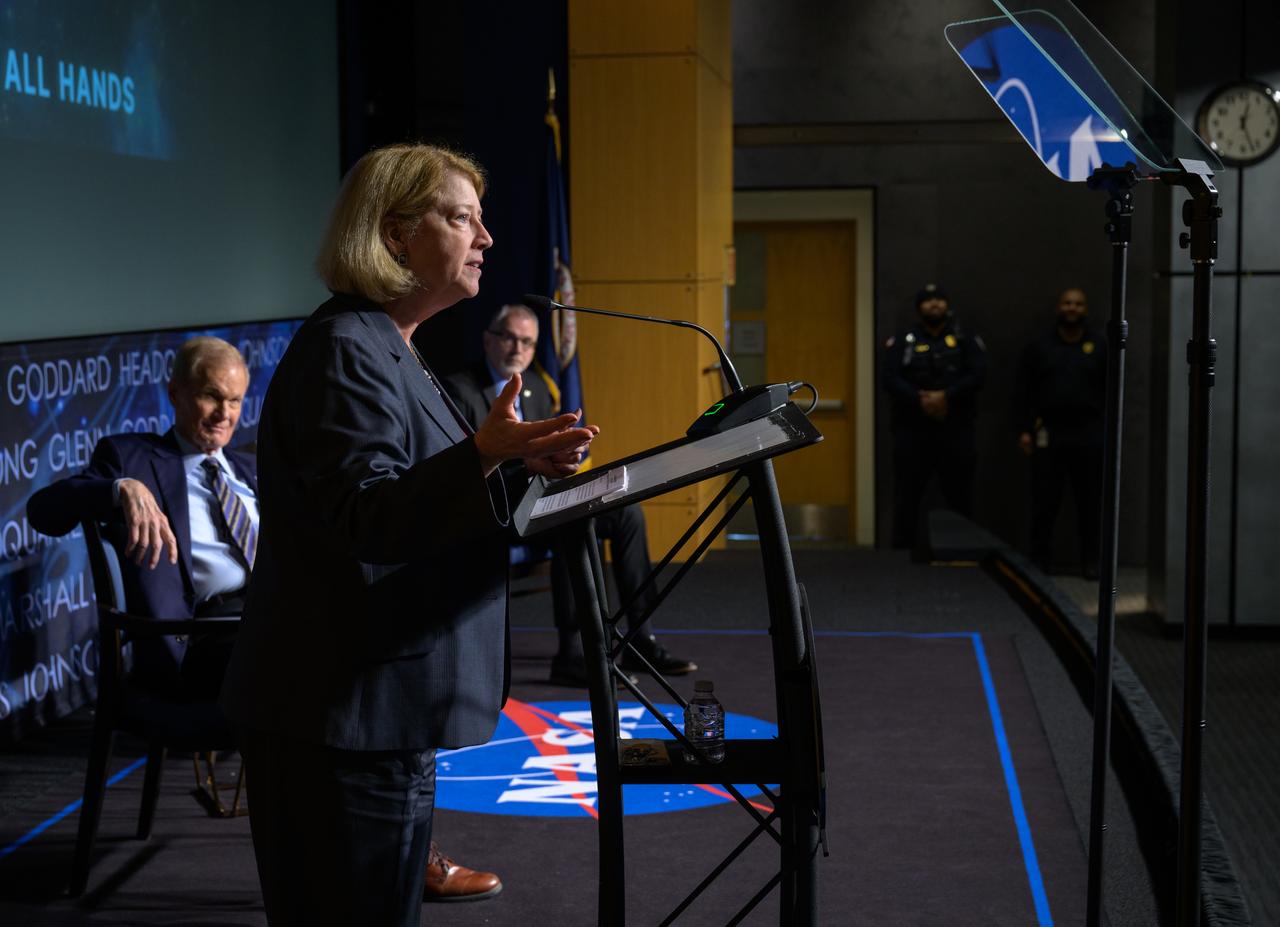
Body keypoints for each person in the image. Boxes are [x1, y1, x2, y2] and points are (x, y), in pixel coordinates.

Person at [218, 144, 596, 926]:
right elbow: (370, 518)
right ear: (395, 235)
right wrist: (484, 454)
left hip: (381, 713)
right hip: (341, 717)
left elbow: (426, 497)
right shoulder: (347, 349)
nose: (486, 238)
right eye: (462, 218)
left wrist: (519, 468)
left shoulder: (393, 344)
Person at [25, 335, 500, 903]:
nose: (224, 414)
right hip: (202, 644)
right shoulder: (132, 458)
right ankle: (396, 863)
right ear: (174, 393)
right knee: (351, 675)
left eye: (234, 400)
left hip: (276, 621)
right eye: (210, 396)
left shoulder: (253, 466)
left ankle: (387, 860)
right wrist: (118, 488)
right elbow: (44, 510)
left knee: (392, 655)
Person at [442, 303, 696, 686]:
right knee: (572, 521)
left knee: (627, 514)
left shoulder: (537, 386)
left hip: (539, 498)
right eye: (509, 338)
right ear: (488, 340)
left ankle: (640, 639)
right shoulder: (459, 390)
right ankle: (574, 654)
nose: (517, 349)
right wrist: (529, 467)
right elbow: (461, 468)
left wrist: (563, 454)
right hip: (493, 508)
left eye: (527, 342)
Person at [881, 284, 987, 549]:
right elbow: (890, 378)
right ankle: (901, 555)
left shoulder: (965, 339)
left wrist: (946, 396)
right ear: (919, 307)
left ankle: (962, 552)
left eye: (939, 299)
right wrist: (921, 399)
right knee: (907, 496)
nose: (935, 304)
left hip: (956, 429)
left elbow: (978, 374)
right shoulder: (904, 340)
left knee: (959, 495)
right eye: (928, 300)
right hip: (912, 430)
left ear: (947, 304)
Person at [1014, 287, 1107, 578]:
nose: (1072, 308)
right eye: (1067, 303)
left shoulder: (1100, 346)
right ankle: (1039, 561)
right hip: (1049, 432)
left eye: (1078, 304)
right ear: (1058, 307)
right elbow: (1023, 391)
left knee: (1090, 502)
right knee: (1044, 501)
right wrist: (1024, 430)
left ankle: (1091, 561)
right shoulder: (1040, 346)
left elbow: (1111, 390)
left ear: (1085, 309)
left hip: (1088, 432)